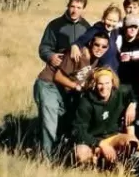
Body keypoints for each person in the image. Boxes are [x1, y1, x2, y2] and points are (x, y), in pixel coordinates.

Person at [33, 31, 110, 159]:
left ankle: (56, 152)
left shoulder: (96, 60)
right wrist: (76, 86)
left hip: (64, 91)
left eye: (104, 46)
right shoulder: (77, 53)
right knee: (50, 122)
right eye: (97, 45)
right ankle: (46, 159)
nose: (99, 49)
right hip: (49, 85)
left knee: (63, 121)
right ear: (91, 43)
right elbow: (57, 76)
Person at [72, 67, 139, 165]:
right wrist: (100, 144)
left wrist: (132, 104)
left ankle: (122, 166)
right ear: (94, 84)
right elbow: (78, 130)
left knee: (131, 142)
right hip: (93, 139)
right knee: (81, 153)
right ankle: (93, 165)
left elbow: (133, 92)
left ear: (113, 83)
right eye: (100, 84)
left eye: (107, 83)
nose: (104, 88)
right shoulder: (86, 102)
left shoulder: (120, 92)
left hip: (113, 136)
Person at [37, 0, 90, 78]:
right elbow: (44, 47)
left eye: (79, 8)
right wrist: (50, 56)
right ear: (68, 5)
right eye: (72, 6)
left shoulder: (86, 27)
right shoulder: (55, 25)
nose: (75, 11)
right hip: (57, 72)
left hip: (78, 75)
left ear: (83, 9)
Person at [70, 3, 122, 74]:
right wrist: (75, 45)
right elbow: (84, 38)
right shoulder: (96, 29)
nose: (111, 24)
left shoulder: (115, 32)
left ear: (118, 22)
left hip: (114, 70)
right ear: (103, 18)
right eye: (109, 20)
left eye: (114, 21)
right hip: (100, 70)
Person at [116, 14, 139, 94]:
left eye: (135, 27)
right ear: (125, 28)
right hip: (123, 84)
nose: (133, 29)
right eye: (130, 27)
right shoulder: (119, 42)